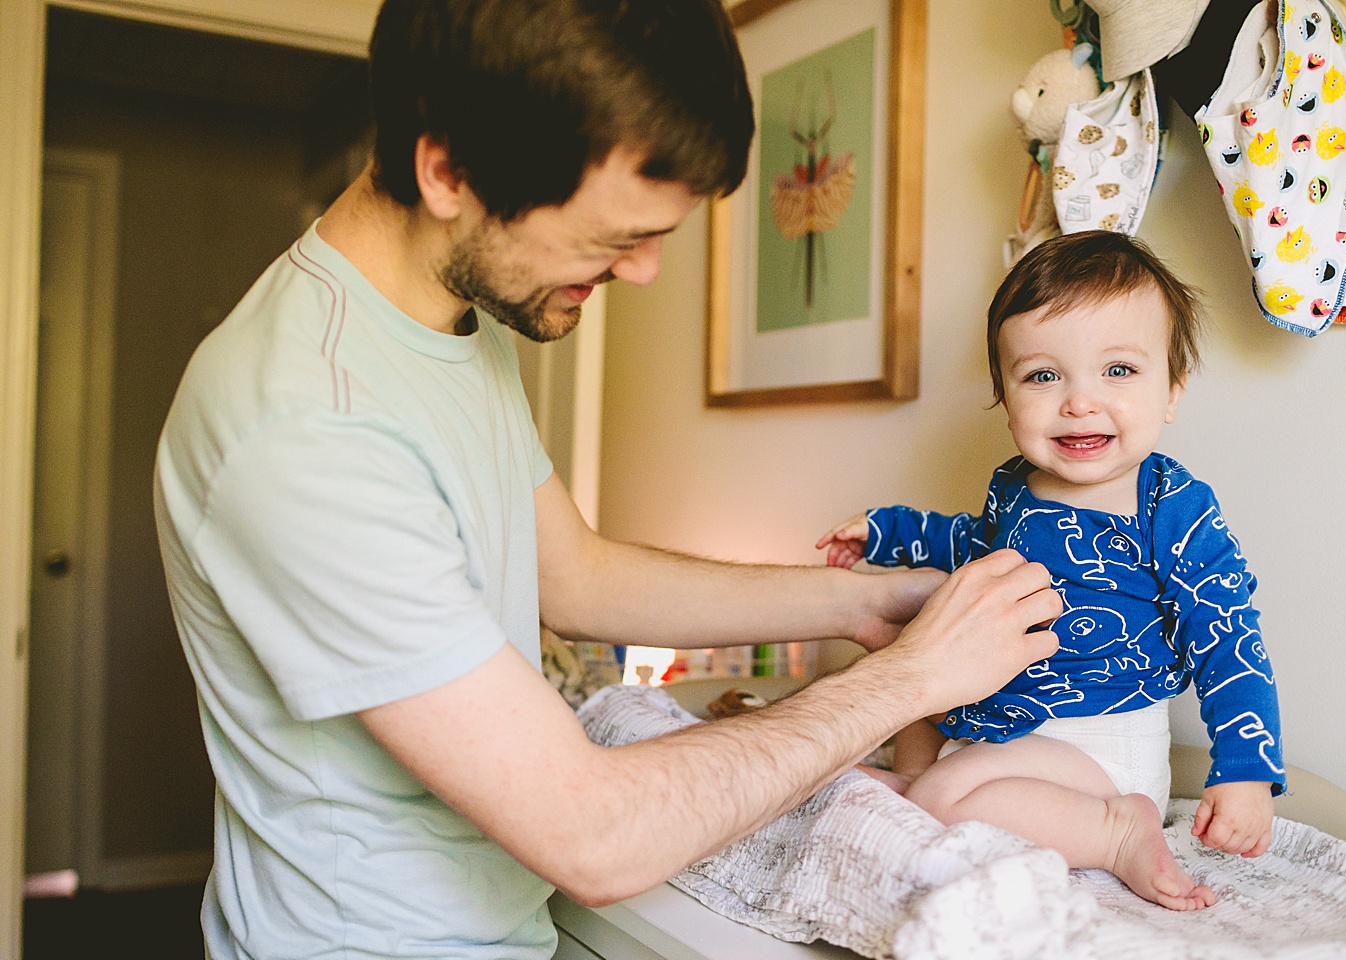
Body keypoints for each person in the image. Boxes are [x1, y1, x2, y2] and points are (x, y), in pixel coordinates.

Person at [152, 1, 1062, 957]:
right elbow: (592, 832)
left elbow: (574, 574)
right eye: (611, 236)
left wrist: (859, 602)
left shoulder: (445, 325)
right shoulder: (305, 423)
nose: (646, 271)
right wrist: (909, 676)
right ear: (449, 169)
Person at [817, 231, 1286, 912]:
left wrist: (1247, 773)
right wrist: (889, 531)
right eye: (1043, 375)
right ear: (1005, 397)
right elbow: (970, 545)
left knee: (945, 797)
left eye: (1119, 370)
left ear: (1172, 391)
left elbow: (1230, 640)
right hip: (1007, 722)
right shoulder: (1014, 485)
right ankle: (918, 777)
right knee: (913, 660)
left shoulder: (1172, 508)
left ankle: (1114, 832)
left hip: (1098, 746)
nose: (1079, 401)